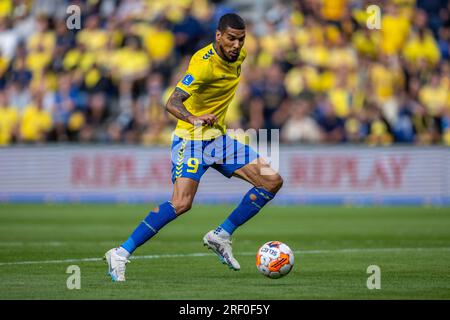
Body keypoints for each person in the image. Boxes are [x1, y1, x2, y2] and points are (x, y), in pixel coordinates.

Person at [104, 13, 283, 281]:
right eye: (232, 39)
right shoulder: (202, 64)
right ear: (218, 36)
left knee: (271, 181)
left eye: (241, 40)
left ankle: (220, 235)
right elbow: (172, 102)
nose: (237, 45)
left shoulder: (240, 57)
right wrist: (193, 118)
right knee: (181, 203)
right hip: (191, 139)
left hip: (219, 139)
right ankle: (120, 253)